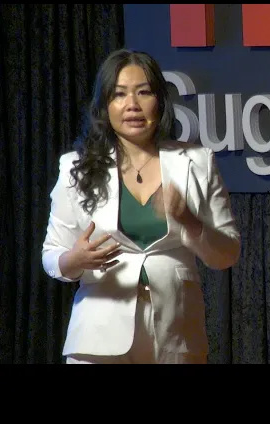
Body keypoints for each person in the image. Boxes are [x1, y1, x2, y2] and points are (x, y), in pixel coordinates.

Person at [41, 48, 241, 364]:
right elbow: (52, 255)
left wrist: (189, 221)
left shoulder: (197, 161)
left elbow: (227, 254)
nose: (132, 104)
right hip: (97, 335)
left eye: (143, 92)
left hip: (177, 335)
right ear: (105, 105)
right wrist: (75, 260)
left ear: (160, 101)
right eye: (119, 94)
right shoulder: (75, 167)